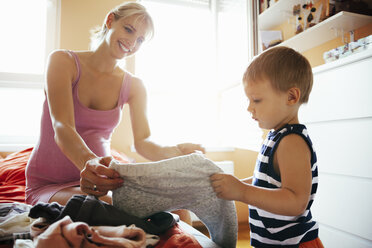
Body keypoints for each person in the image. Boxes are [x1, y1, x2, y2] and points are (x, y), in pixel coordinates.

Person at [25, 1, 204, 224]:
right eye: (129, 29)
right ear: (110, 21)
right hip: (51, 184)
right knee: (112, 208)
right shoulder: (63, 61)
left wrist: (177, 151)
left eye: (140, 40)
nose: (132, 42)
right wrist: (90, 162)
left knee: (179, 208)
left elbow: (143, 142)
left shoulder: (135, 86)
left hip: (101, 182)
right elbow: (62, 126)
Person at [210, 46, 323, 247]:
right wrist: (236, 184)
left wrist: (242, 191)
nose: (249, 107)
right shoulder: (275, 136)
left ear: (291, 97)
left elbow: (296, 202)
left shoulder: (292, 142)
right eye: (248, 99)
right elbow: (266, 183)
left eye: (257, 100)